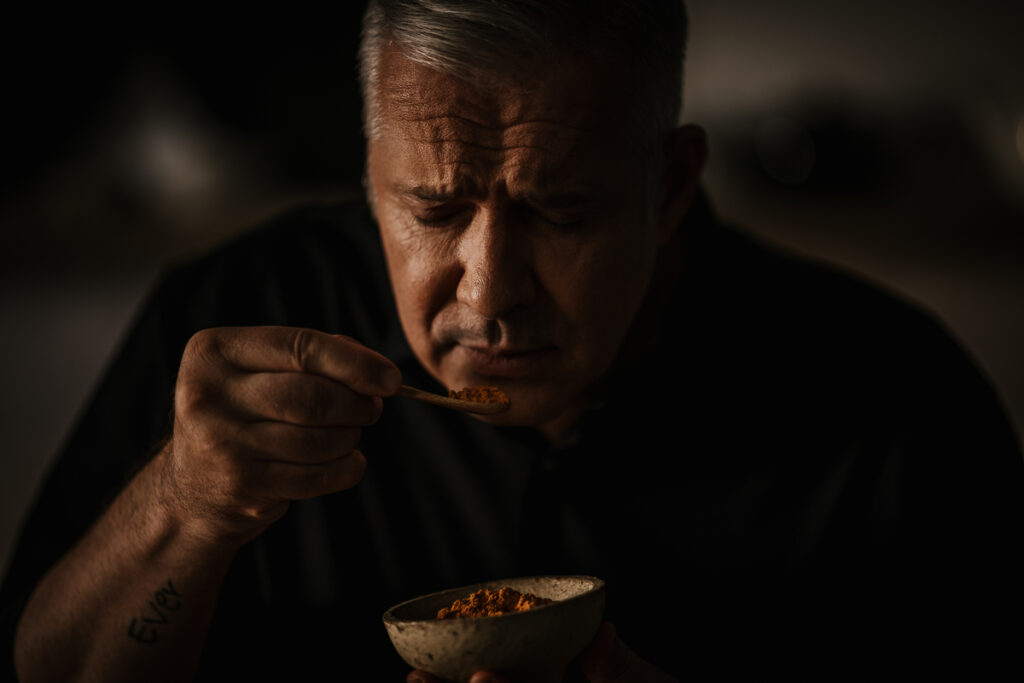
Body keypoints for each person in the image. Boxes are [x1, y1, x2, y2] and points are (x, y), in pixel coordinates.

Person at [3, 1, 1023, 681]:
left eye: (562, 211)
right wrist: (181, 506)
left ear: (669, 186)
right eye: (433, 208)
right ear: (369, 173)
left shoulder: (896, 398)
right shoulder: (240, 311)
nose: (487, 294)